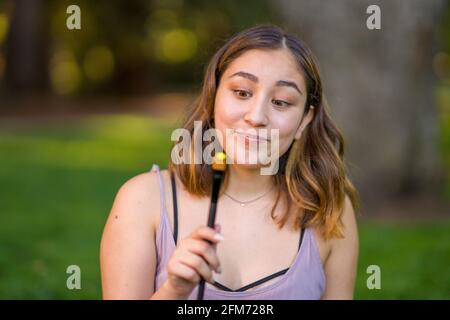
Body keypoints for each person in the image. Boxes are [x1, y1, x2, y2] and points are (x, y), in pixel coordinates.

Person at [100, 24, 360, 300]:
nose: (257, 116)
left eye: (281, 102)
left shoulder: (329, 211)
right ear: (213, 97)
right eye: (242, 92)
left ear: (304, 120)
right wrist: (174, 291)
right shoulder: (142, 200)